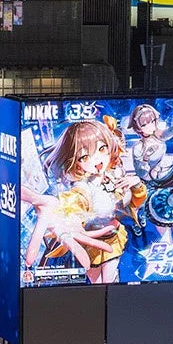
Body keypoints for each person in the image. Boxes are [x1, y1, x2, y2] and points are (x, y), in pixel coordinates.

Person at [22, 118, 145, 285]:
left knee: (109, 280)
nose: (98, 160)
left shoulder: (112, 175)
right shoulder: (83, 188)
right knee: (97, 282)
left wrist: (136, 184)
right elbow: (71, 201)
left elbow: (133, 203)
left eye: (102, 149)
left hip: (113, 236)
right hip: (91, 242)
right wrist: (54, 210)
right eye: (85, 157)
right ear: (76, 162)